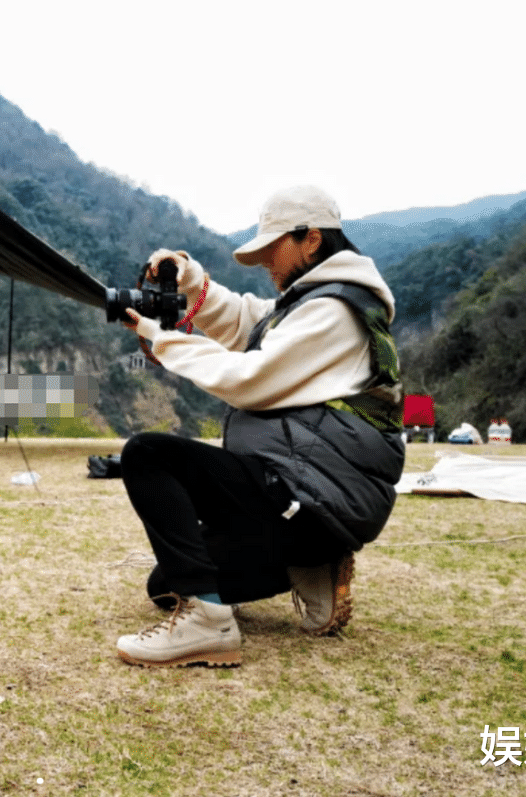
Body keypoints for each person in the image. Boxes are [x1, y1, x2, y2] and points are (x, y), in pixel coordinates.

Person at [115, 185, 405, 668]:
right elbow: (245, 320)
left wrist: (162, 341)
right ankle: (312, 562)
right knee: (166, 584)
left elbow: (250, 378)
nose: (267, 262)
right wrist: (188, 279)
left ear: (311, 239)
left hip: (308, 497)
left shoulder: (333, 312)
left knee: (147, 454)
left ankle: (209, 625)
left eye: (274, 250)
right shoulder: (312, 302)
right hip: (305, 498)